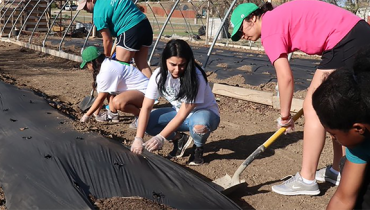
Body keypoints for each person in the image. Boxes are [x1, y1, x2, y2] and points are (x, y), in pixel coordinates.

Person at [230, 0, 370, 195]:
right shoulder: (276, 19)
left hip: (345, 40)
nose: (242, 36)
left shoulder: (270, 29)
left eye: (241, 30)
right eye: (237, 35)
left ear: (252, 18)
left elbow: (285, 78)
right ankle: (338, 170)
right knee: (337, 107)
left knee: (315, 105)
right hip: (356, 34)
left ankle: (307, 179)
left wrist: (285, 117)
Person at [130, 39, 220, 166]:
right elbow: (146, 107)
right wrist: (138, 138)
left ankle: (198, 148)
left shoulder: (196, 77)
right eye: (172, 64)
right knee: (145, 122)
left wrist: (160, 137)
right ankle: (179, 138)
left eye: (182, 65)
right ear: (165, 61)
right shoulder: (158, 76)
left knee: (199, 125)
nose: (177, 69)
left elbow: (183, 114)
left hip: (204, 114)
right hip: (180, 114)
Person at [312, 47, 370, 209]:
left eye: (334, 134)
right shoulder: (361, 137)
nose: (332, 138)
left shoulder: (359, 129)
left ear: (358, 129)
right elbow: (344, 198)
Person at [77, 0, 153, 78]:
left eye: (85, 6)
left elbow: (107, 40)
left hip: (130, 29)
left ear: (92, 0)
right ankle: (153, 89)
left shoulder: (98, 15)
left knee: (118, 68)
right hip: (145, 25)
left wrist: (106, 58)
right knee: (143, 65)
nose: (84, 9)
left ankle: (126, 89)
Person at [79, 46, 148, 126]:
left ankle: (141, 116)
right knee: (109, 91)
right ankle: (113, 114)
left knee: (118, 102)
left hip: (146, 93)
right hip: (136, 92)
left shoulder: (107, 71)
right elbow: (103, 93)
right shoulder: (106, 64)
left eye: (86, 64)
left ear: (91, 63)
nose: (87, 67)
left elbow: (101, 98)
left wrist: (87, 115)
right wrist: (96, 113)